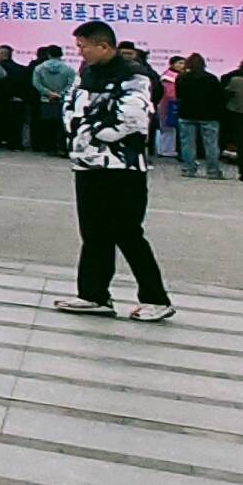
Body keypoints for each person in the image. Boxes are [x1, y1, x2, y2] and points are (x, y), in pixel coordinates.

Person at [55, 19, 173, 321]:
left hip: (122, 167)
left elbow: (131, 118)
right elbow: (70, 105)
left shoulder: (134, 76)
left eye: (83, 46)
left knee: (127, 232)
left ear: (104, 45)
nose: (80, 53)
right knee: (93, 233)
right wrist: (79, 129)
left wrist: (94, 130)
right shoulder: (86, 73)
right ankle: (93, 295)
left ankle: (156, 299)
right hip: (87, 163)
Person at [172, 54, 227, 181]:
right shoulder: (211, 79)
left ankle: (188, 169)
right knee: (211, 144)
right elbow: (219, 97)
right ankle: (213, 171)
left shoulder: (181, 78)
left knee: (187, 143)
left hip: (186, 114)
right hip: (209, 115)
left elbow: (179, 96)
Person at [30, 41, 74, 156]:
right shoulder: (68, 69)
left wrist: (48, 92)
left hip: (45, 99)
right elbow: (71, 84)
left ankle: (49, 147)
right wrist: (61, 93)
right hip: (62, 100)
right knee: (61, 125)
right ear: (61, 54)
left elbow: (36, 83)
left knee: (47, 125)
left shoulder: (39, 68)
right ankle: (62, 148)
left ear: (48, 54)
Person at [0, 44, 32, 153]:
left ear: (4, 56)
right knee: (15, 124)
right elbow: (25, 85)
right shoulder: (21, 69)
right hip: (17, 100)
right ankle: (15, 144)